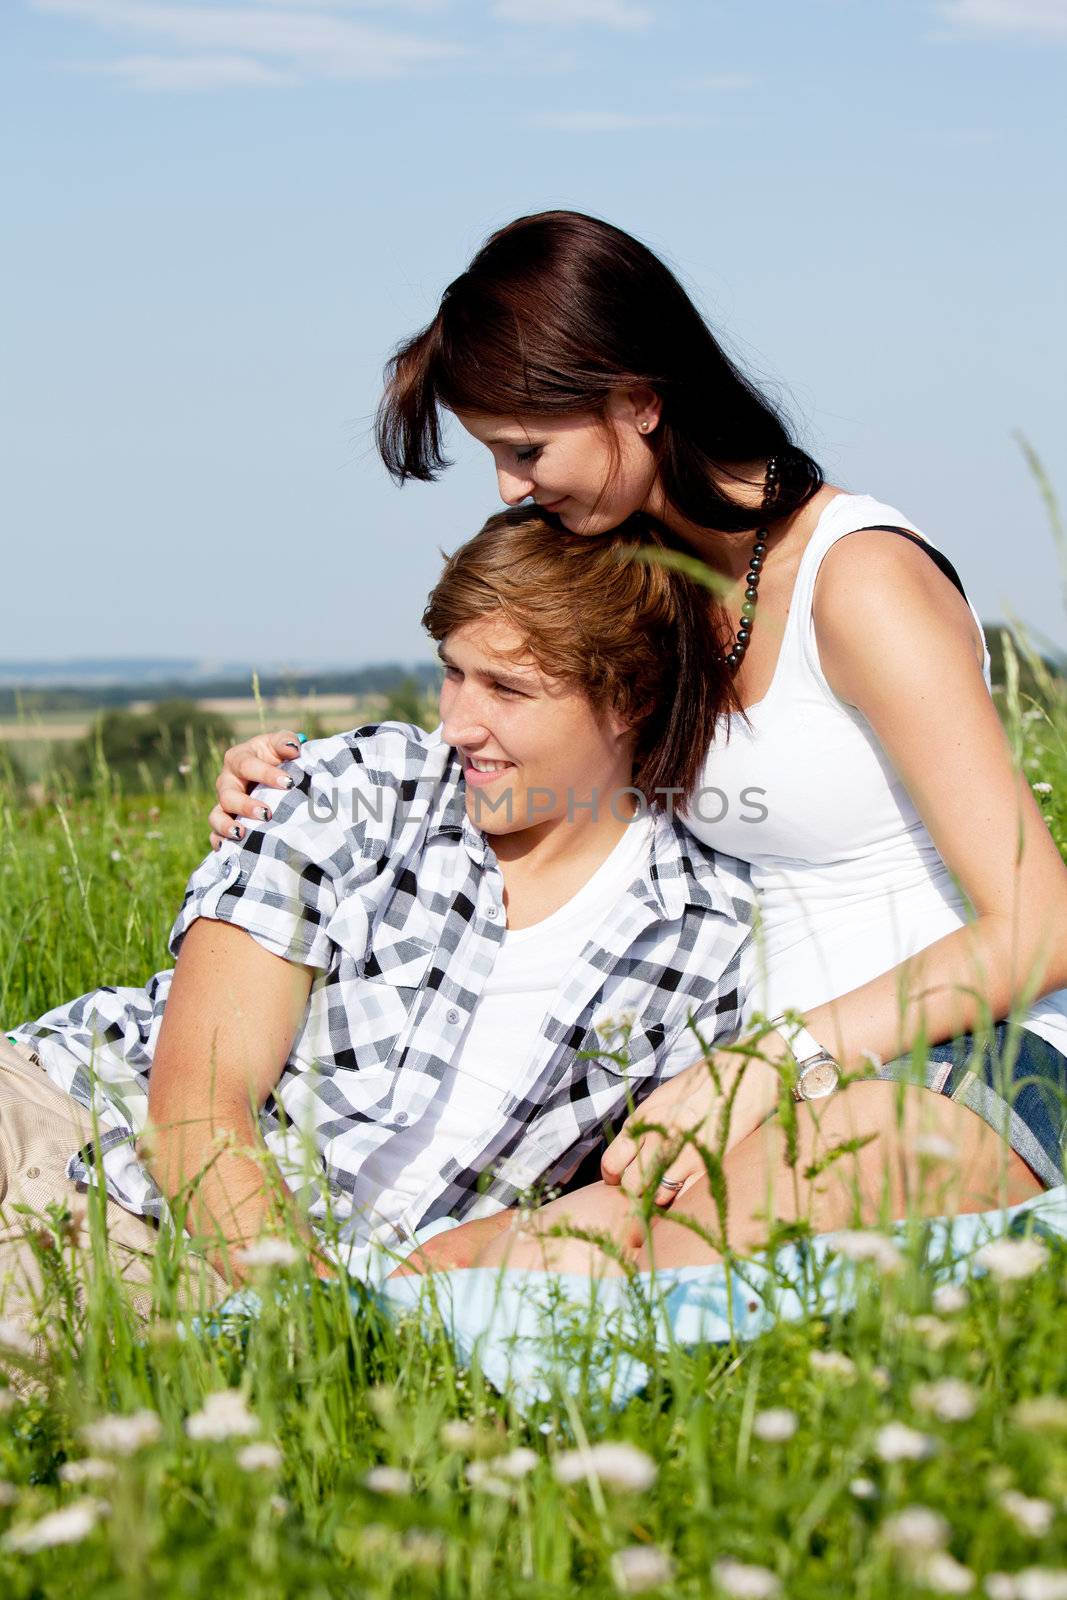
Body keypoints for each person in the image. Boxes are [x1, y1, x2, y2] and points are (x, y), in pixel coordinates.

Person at [210, 210, 1067, 1277]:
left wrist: (774, 1058)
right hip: (755, 1088)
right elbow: (513, 707)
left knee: (616, 1272)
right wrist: (297, 781)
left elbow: (1039, 922)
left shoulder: (858, 582)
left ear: (638, 403)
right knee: (450, 1271)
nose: (508, 486)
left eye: (524, 448)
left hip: (968, 1061)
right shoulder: (646, 571)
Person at [0, 507, 754, 1328]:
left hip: (264, 1273)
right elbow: (195, 1099)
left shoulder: (703, 937)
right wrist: (310, 1307)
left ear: (629, 702)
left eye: (507, 688)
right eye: (452, 672)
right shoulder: (361, 786)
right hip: (74, 1122)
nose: (459, 723)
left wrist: (392, 1296)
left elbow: (637, 1189)